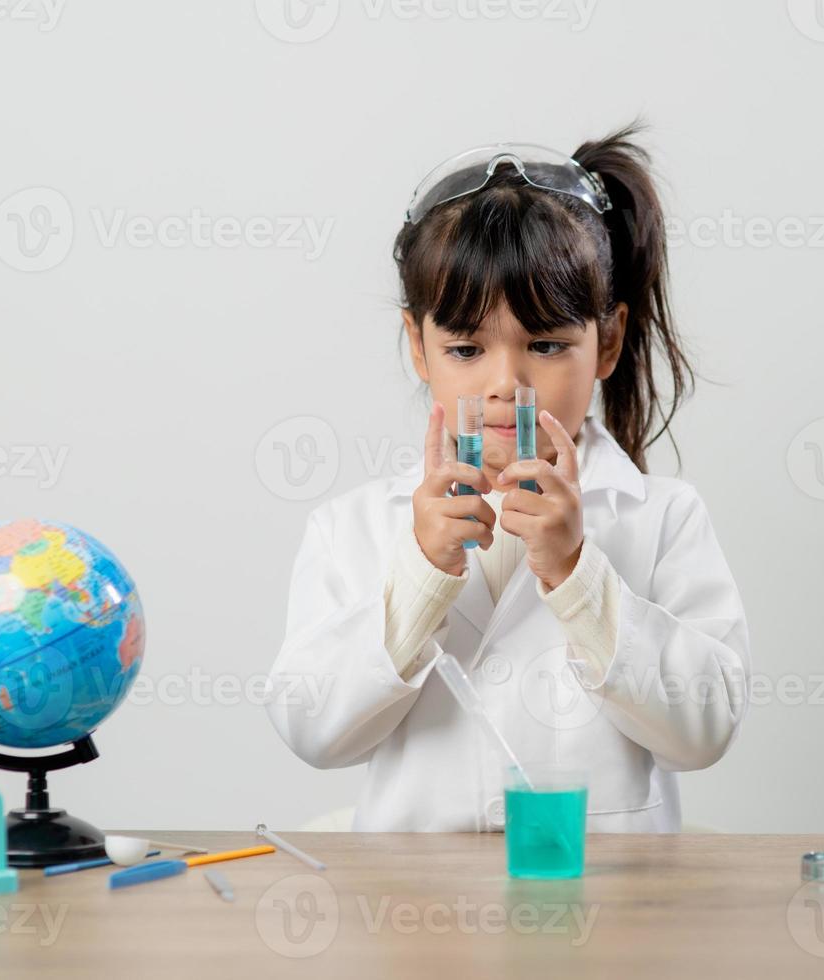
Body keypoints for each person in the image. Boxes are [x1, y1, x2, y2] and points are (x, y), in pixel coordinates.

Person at [266, 124, 751, 832]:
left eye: (547, 344)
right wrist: (423, 575)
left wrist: (578, 575)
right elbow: (311, 728)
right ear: (418, 347)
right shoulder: (353, 528)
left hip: (609, 916)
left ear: (607, 342)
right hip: (419, 924)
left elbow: (705, 729)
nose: (505, 383)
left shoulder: (664, 518)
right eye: (465, 348)